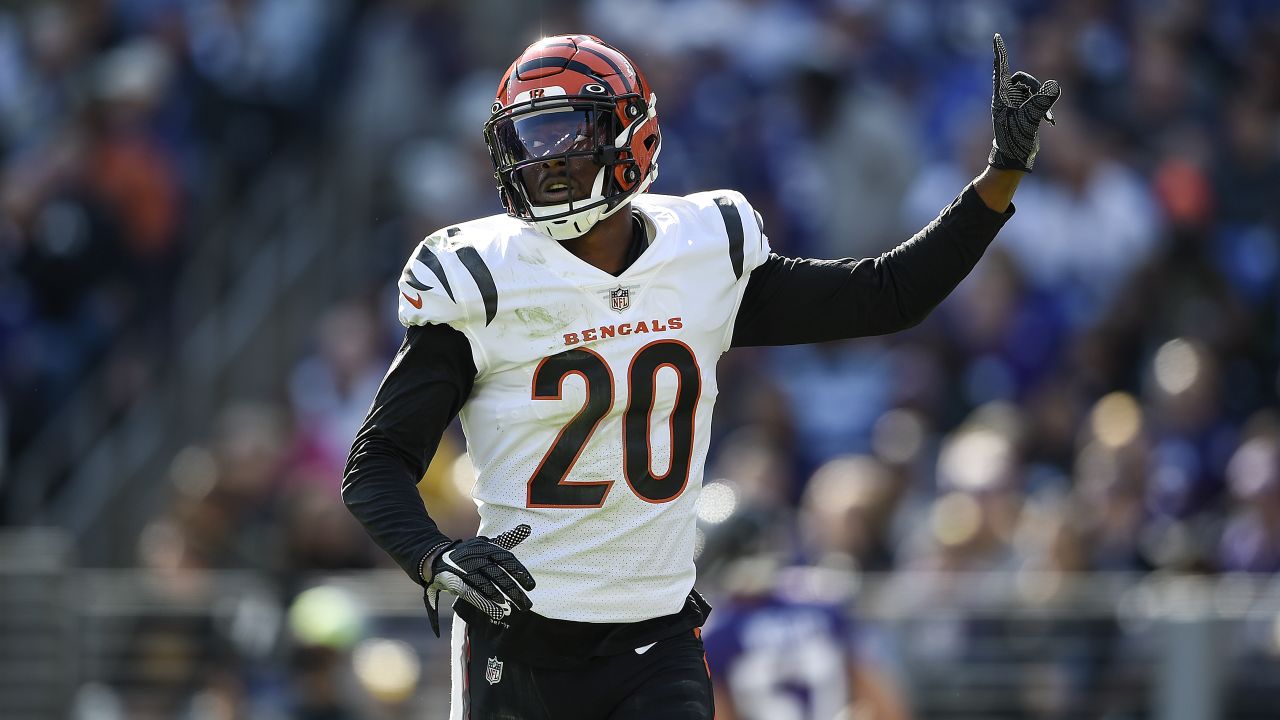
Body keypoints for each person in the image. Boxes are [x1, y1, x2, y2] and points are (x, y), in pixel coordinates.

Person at [342, 32, 1059, 720]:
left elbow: (889, 294)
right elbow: (375, 464)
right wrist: (434, 555)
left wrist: (1000, 175)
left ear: (631, 137)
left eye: (566, 136)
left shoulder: (701, 255)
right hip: (521, 639)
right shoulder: (484, 280)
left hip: (655, 638)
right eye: (528, 141)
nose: (544, 161)